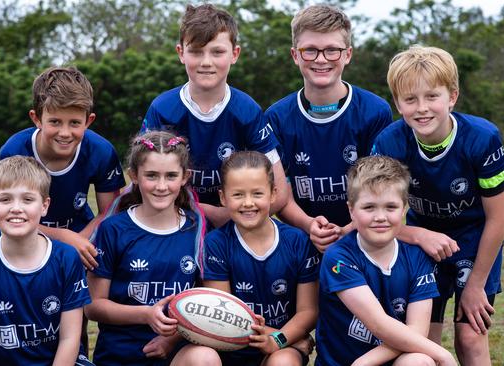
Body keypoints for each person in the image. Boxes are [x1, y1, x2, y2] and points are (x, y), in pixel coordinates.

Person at [372, 45, 504, 365]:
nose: (422, 108)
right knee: (422, 344)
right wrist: (419, 235)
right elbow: (378, 215)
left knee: (470, 336)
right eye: (410, 99)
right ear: (398, 103)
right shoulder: (389, 143)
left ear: (452, 96)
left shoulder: (482, 139)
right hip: (420, 243)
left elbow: (497, 220)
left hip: (474, 241)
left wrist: (476, 285)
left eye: (432, 96)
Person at [141, 3, 288, 229]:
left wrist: (229, 215)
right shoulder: (163, 109)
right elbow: (143, 183)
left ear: (234, 54)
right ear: (181, 53)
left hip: (236, 226)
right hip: (175, 222)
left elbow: (279, 192)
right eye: (196, 51)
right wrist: (204, 211)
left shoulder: (247, 110)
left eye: (217, 52)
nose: (206, 62)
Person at [265, 4, 393, 251]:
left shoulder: (374, 111)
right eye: (310, 50)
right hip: (302, 238)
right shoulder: (276, 117)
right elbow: (281, 192)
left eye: (332, 50)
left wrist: (348, 229)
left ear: (348, 54)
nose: (321, 59)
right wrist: (308, 224)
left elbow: (381, 188)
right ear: (295, 55)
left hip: (363, 236)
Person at [316, 155, 457, 366]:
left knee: (419, 360)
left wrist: (364, 363)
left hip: (386, 361)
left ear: (404, 209)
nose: (380, 217)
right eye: (369, 207)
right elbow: (379, 324)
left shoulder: (417, 257)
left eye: (390, 207)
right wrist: (444, 355)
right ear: (351, 210)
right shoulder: (338, 257)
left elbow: (416, 332)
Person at [85, 130, 207, 366]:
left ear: (185, 177)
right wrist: (146, 314)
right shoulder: (113, 230)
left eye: (171, 176)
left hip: (176, 354)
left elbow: (206, 301)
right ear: (134, 176)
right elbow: (93, 306)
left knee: (205, 358)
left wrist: (171, 340)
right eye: (151, 175)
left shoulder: (197, 228)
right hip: (120, 356)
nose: (161, 186)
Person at [0, 156, 93, 366]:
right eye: (5, 199)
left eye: (27, 199)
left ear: (45, 206)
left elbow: (69, 339)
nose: (16, 208)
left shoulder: (67, 259)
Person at [188, 151, 319, 366]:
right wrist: (289, 338)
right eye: (238, 195)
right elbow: (222, 317)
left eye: (257, 193)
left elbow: (309, 311)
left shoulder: (298, 242)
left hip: (279, 349)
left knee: (284, 362)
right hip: (228, 349)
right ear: (222, 197)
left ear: (274, 193)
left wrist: (279, 340)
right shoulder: (216, 244)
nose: (248, 203)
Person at [0, 65, 126, 271]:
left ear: (88, 121)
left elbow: (110, 213)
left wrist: (79, 240)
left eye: (75, 122)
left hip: (82, 233)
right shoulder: (14, 151)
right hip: (22, 236)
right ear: (37, 118)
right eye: (55, 122)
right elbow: (7, 217)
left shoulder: (101, 151)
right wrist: (64, 238)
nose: (65, 133)